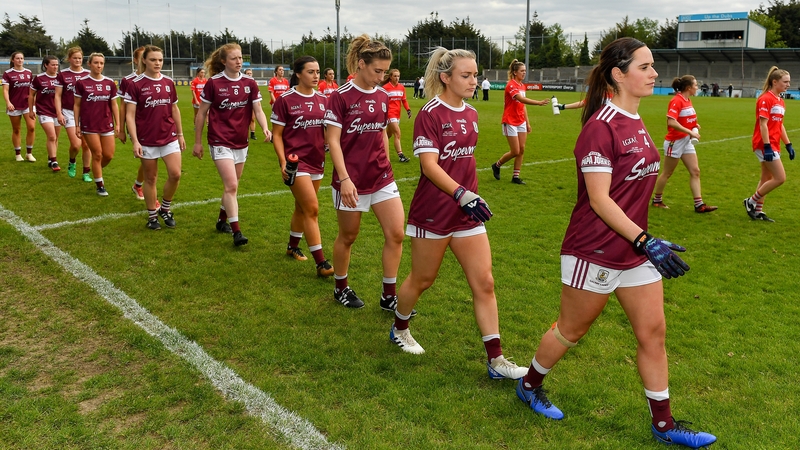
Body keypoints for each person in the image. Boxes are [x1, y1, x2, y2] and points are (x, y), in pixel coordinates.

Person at [514, 38, 716, 449]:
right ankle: (530, 384)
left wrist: (644, 242)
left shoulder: (638, 120)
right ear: (619, 75)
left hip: (637, 250)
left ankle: (664, 425)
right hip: (594, 250)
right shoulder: (599, 127)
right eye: (645, 67)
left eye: (653, 66)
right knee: (572, 330)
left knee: (653, 332)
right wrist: (645, 239)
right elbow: (599, 198)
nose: (655, 73)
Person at [389, 47, 527, 381]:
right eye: (466, 75)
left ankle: (496, 361)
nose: (473, 80)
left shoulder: (472, 113)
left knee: (485, 282)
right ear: (445, 77)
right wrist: (461, 193)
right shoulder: (430, 113)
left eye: (475, 74)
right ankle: (399, 328)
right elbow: (428, 166)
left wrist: (468, 197)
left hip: (467, 213)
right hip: (434, 212)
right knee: (423, 279)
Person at [323, 34, 405, 310]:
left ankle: (388, 296)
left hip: (381, 176)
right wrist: (344, 179)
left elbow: (382, 132)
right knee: (348, 236)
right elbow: (333, 140)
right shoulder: (340, 96)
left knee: (396, 234)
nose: (381, 77)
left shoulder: (382, 96)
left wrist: (388, 161)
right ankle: (341, 287)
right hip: (351, 179)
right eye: (377, 71)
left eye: (385, 71)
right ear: (361, 64)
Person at [192, 43, 272, 246]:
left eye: (240, 58)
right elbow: (201, 113)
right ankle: (237, 232)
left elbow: (258, 109)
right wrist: (198, 142)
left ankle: (221, 220)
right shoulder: (214, 83)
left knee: (232, 187)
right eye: (234, 58)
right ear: (223, 61)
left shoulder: (250, 83)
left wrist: (264, 127)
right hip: (219, 140)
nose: (239, 62)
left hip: (241, 142)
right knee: (232, 185)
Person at [271, 56, 334, 277]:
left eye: (318, 72)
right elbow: (277, 136)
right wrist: (283, 162)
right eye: (311, 72)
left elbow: (328, 133)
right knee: (312, 209)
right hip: (296, 164)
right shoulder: (285, 100)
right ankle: (321, 263)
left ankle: (292, 247)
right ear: (298, 74)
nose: (316, 76)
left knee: (301, 207)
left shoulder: (323, 100)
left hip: (317, 160)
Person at [124, 45, 185, 231]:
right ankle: (152, 217)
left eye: (160, 60)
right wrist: (135, 140)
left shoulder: (168, 82)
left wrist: (180, 134)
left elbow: (174, 108)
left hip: (169, 136)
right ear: (144, 60)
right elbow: (129, 114)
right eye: (153, 60)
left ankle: (165, 208)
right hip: (146, 139)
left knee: (175, 174)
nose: (157, 63)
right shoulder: (136, 84)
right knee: (150, 179)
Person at [651, 75, 717, 213]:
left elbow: (686, 119)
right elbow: (672, 122)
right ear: (688, 88)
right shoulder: (677, 101)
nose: (697, 88)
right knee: (667, 173)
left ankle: (699, 205)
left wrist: (694, 125)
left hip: (686, 141)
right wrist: (691, 132)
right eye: (695, 85)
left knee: (695, 171)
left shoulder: (688, 100)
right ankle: (657, 200)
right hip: (674, 142)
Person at [743, 66, 794, 223]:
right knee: (780, 178)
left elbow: (779, 125)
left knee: (767, 177)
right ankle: (750, 201)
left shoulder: (780, 100)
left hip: (773, 143)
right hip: (764, 143)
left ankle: (758, 211)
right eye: (785, 82)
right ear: (775, 82)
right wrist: (766, 146)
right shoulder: (766, 98)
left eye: (789, 82)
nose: (788, 84)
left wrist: (788, 144)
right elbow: (763, 125)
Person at [491, 59, 549, 184]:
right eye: (522, 71)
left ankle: (515, 177)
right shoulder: (511, 85)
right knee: (515, 151)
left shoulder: (522, 86)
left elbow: (522, 106)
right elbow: (521, 99)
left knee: (521, 149)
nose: (524, 73)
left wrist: (527, 122)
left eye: (525, 71)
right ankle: (497, 165)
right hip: (510, 121)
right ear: (515, 72)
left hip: (521, 121)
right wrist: (538, 103)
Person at [73, 53, 121, 196]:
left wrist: (118, 123)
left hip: (106, 124)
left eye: (101, 63)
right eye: (96, 63)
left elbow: (114, 105)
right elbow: (76, 105)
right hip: (89, 125)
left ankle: (96, 170)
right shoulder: (81, 83)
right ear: (89, 64)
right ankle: (100, 185)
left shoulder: (109, 83)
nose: (99, 66)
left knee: (109, 155)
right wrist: (77, 125)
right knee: (98, 154)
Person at [118, 47, 150, 202]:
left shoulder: (158, 79)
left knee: (149, 159)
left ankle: (138, 184)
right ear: (137, 60)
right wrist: (121, 128)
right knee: (148, 158)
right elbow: (123, 105)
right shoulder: (128, 81)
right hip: (136, 126)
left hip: (153, 125)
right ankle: (150, 194)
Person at [56, 47, 92, 181]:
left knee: (87, 145)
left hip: (87, 113)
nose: (77, 60)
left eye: (80, 58)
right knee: (76, 145)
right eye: (75, 58)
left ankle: (86, 172)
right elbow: (58, 95)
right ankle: (72, 161)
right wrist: (59, 113)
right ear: (69, 59)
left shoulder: (89, 74)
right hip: (69, 112)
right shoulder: (63, 74)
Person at [28, 55, 63, 172]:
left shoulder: (61, 77)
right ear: (46, 65)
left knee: (56, 137)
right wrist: (31, 110)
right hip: (44, 111)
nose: (55, 67)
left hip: (58, 112)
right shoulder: (39, 78)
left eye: (57, 64)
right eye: (53, 64)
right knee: (51, 136)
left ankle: (50, 158)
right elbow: (31, 95)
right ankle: (54, 161)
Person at [3, 51, 36, 162]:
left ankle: (29, 153)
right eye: (17, 58)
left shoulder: (29, 72)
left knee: (31, 127)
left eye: (21, 58)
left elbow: (32, 90)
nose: (20, 60)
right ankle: (18, 154)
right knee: (16, 129)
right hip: (14, 105)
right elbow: (5, 90)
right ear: (13, 60)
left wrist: (34, 102)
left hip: (27, 105)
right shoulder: (8, 73)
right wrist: (8, 103)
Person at [382, 68, 412, 163]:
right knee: (397, 133)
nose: (397, 78)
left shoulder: (401, 87)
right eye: (394, 76)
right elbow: (382, 101)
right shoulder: (385, 88)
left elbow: (404, 100)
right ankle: (401, 155)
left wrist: (408, 109)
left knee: (388, 134)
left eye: (398, 76)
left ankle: (376, 146)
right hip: (390, 114)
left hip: (397, 114)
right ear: (390, 77)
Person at [244, 68, 257, 140]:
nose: (249, 74)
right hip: (244, 103)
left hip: (252, 103)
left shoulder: (254, 83)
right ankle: (245, 134)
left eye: (250, 73)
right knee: (244, 120)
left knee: (252, 118)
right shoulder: (242, 82)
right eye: (247, 73)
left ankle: (252, 134)